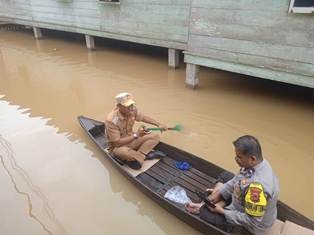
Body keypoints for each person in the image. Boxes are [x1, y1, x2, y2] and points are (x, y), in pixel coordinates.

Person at [186, 135, 279, 235]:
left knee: (205, 214)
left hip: (253, 226)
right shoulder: (262, 163)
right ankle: (217, 202)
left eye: (239, 157)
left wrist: (222, 212)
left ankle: (209, 208)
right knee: (226, 176)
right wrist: (220, 192)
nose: (236, 159)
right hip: (246, 202)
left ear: (252, 158)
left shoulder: (257, 189)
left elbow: (252, 221)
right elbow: (237, 179)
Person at [105, 92, 168, 170]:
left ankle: (140, 156)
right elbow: (116, 143)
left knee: (155, 137)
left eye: (131, 104)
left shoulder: (132, 109)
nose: (131, 108)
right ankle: (143, 155)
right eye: (127, 106)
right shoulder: (112, 120)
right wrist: (137, 135)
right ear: (119, 106)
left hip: (132, 138)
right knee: (124, 153)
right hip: (118, 146)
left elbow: (143, 117)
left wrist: (158, 124)